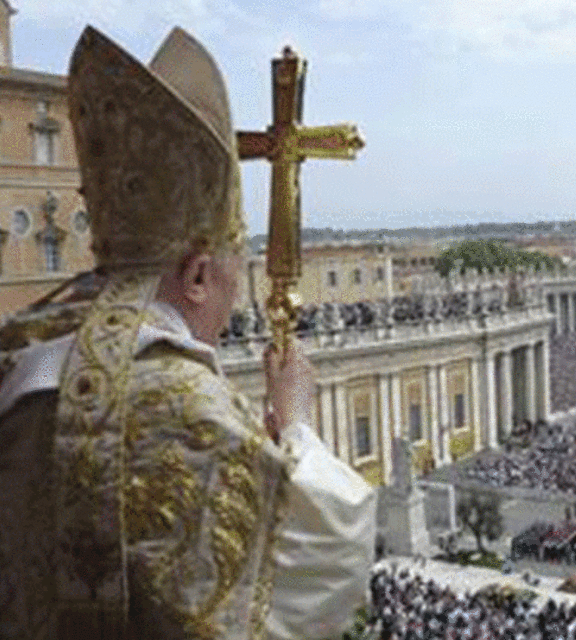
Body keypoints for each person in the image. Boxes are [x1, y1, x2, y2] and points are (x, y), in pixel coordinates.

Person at [0, 26, 374, 640]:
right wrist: (298, 424)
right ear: (199, 275)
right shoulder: (181, 402)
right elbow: (326, 552)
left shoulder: (23, 348)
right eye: (235, 269)